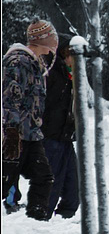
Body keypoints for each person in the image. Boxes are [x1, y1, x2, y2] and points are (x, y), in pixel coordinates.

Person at [2, 19, 58, 221]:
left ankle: (36, 222)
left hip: (31, 134)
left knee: (43, 178)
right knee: (4, 181)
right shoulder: (18, 61)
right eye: (51, 36)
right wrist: (11, 130)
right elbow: (9, 97)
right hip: (15, 135)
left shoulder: (35, 63)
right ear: (43, 39)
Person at [40, 33, 80, 220]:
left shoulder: (71, 75)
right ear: (65, 54)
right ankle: (42, 218)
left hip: (65, 136)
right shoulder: (52, 74)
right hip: (51, 136)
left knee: (74, 182)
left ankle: (65, 216)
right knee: (52, 181)